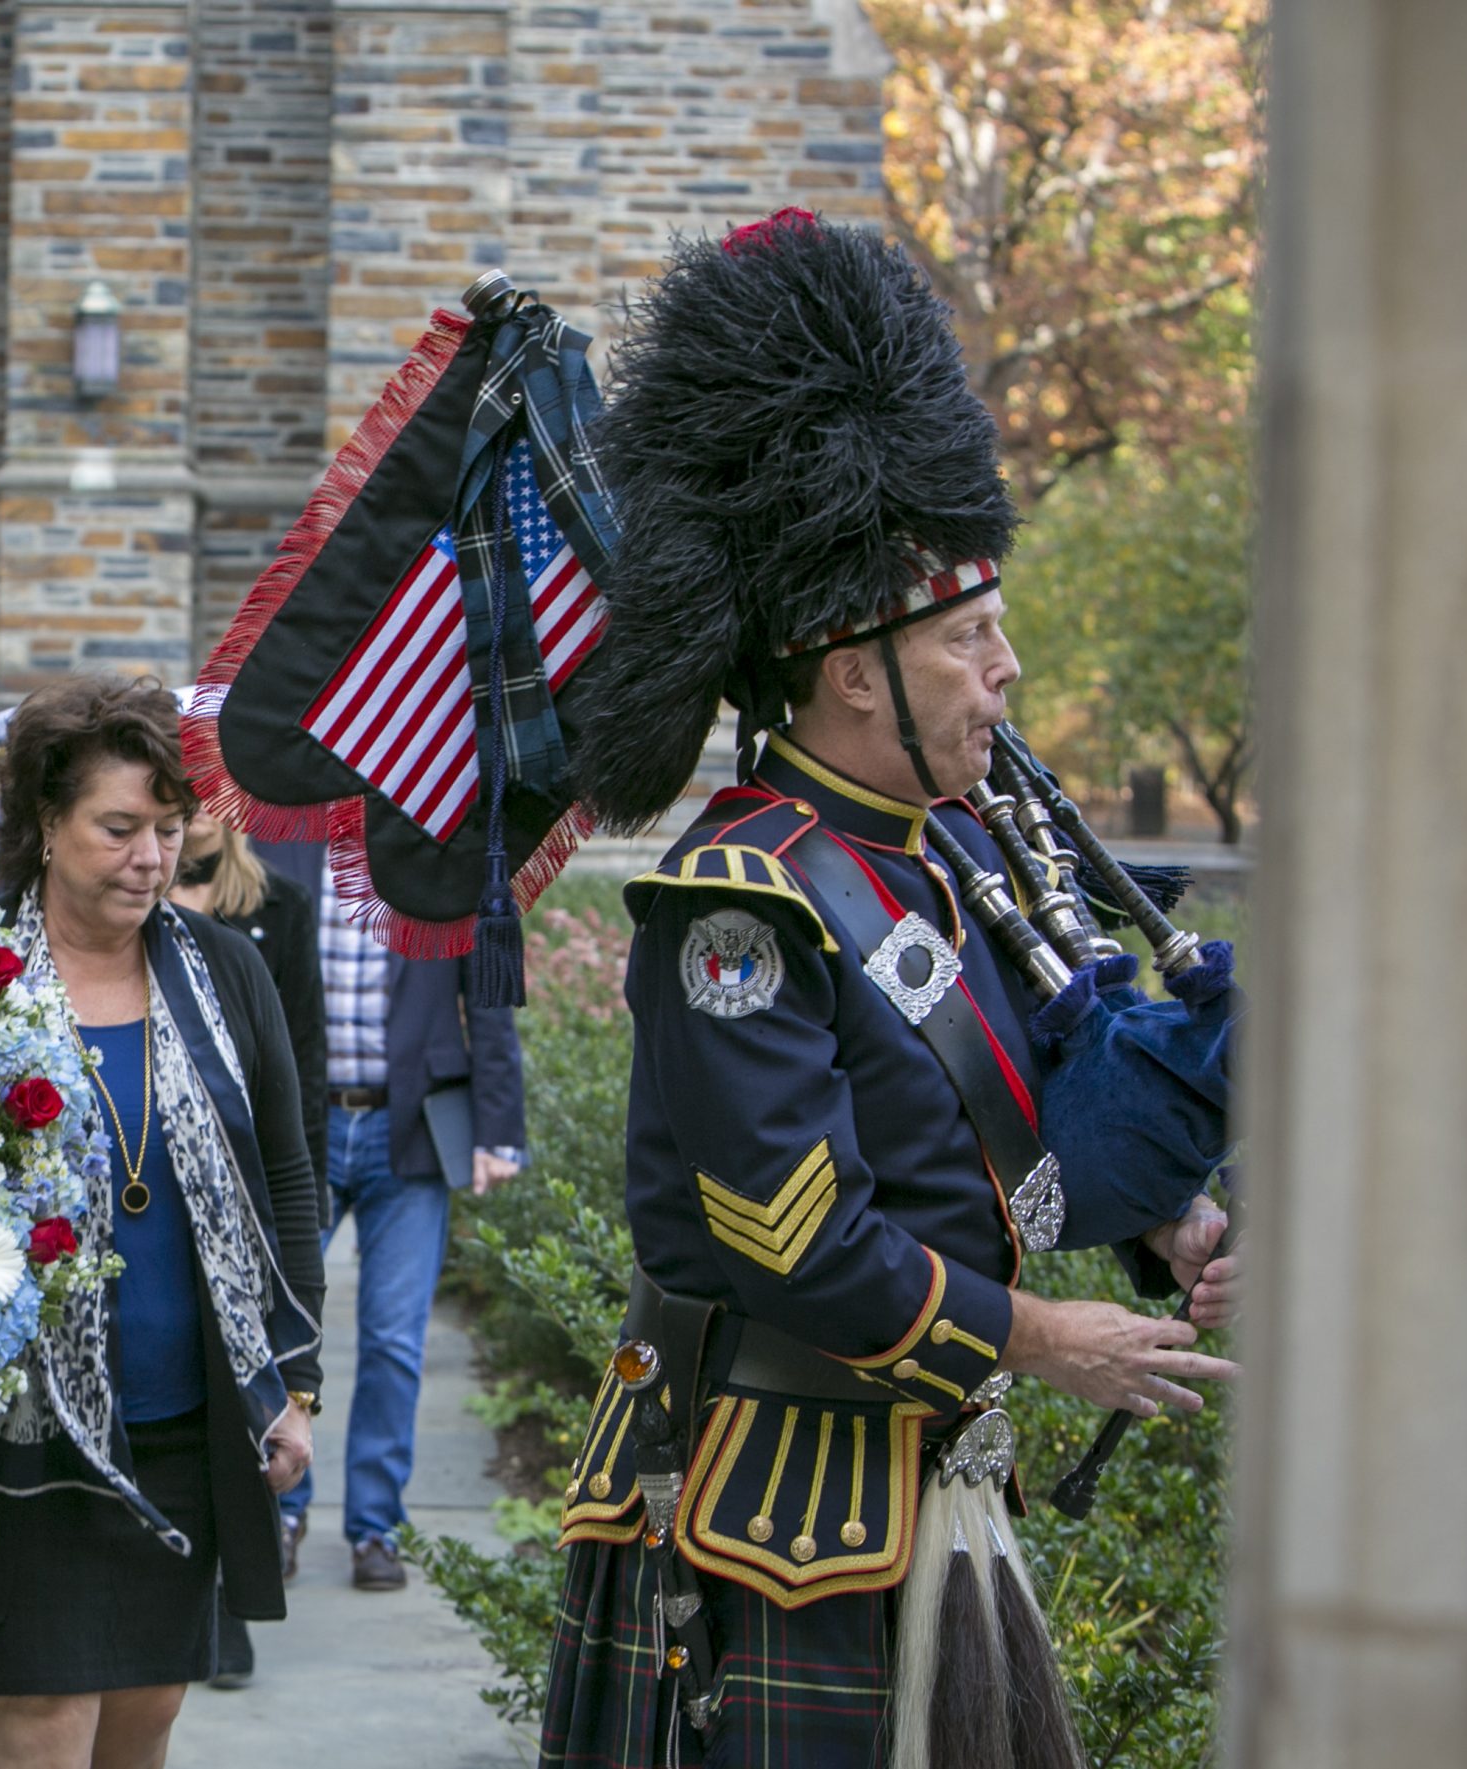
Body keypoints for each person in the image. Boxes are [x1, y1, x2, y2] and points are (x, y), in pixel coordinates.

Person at [535, 211, 1239, 1769]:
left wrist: (1162, 1226)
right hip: (767, 1508)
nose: (1005, 672)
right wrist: (1038, 1339)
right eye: (974, 638)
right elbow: (790, 1234)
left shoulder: (944, 854)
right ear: (856, 668)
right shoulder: (742, 901)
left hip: (920, 1479)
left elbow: (995, 1133)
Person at [0, 673, 323, 1768]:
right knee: (38, 1731)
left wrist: (293, 1380)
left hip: (185, 1427)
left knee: (141, 1720)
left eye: (168, 826)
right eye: (118, 827)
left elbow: (288, 1174)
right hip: (14, 1435)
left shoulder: (226, 971)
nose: (151, 855)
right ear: (46, 824)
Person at [259, 837, 524, 1593]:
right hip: (297, 1129)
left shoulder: (444, 852)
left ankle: (376, 1524)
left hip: (409, 1126)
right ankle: (282, 1508)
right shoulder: (275, 850)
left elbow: (491, 994)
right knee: (284, 1330)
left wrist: (499, 1126)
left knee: (394, 1340)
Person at [165, 808, 327, 1689]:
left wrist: (305, 1203)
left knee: (250, 1395)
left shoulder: (280, 907)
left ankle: (230, 1609)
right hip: (165, 1187)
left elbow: (301, 1061)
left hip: (253, 1191)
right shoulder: (130, 908)